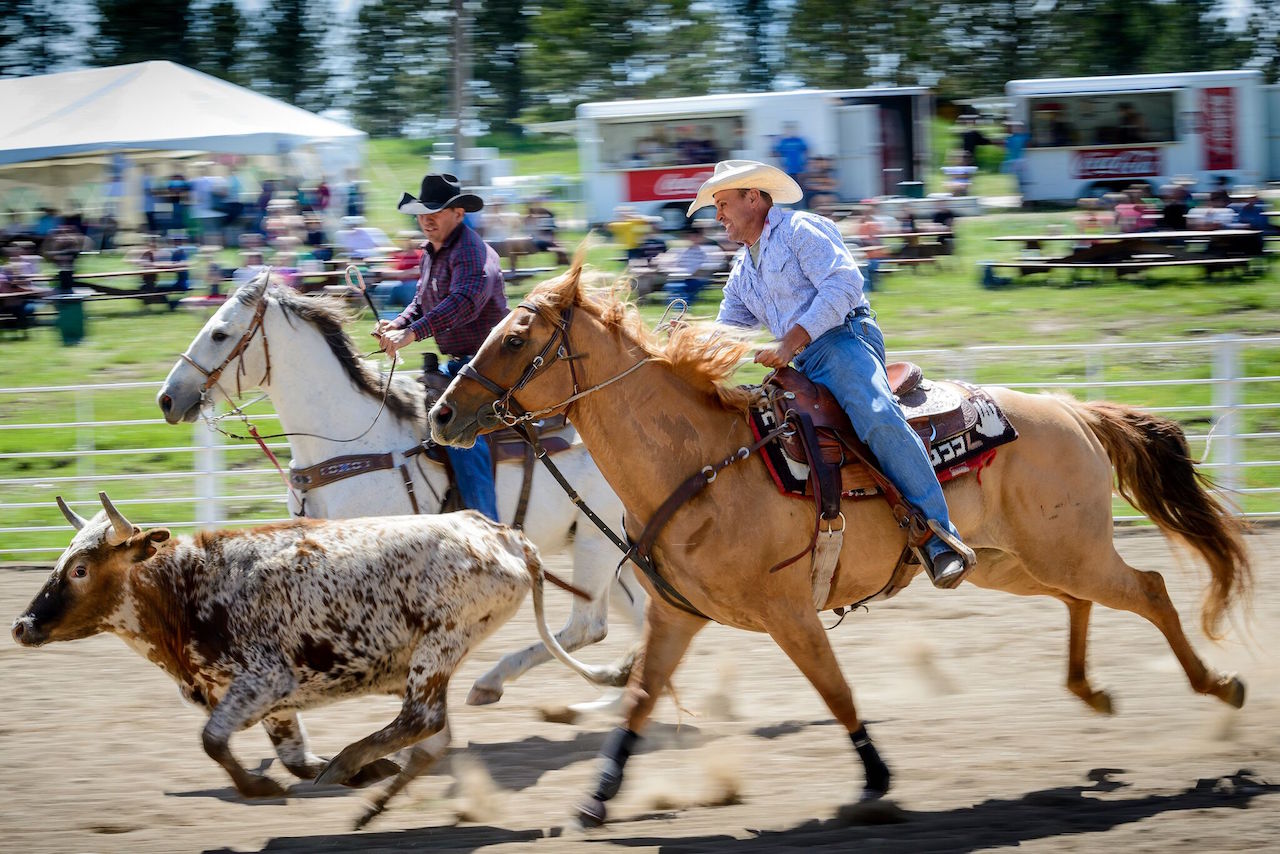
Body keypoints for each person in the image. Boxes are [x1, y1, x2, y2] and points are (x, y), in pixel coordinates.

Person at [689, 160, 973, 589]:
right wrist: (683, 343)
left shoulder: (800, 229)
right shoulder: (743, 272)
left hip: (842, 340)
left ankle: (940, 537)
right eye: (715, 207)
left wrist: (789, 343)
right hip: (801, 361)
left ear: (753, 197)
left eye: (723, 203)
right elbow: (729, 328)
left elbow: (844, 284)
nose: (718, 216)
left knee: (876, 413)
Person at [373, 173, 506, 521]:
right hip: (463, 364)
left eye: (436, 211)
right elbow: (422, 300)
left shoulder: (474, 253)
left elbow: (463, 302)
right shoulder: (432, 254)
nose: (426, 219)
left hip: (491, 364)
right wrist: (398, 323)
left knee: (461, 427)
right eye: (421, 212)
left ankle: (486, 525)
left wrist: (412, 333)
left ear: (458, 214)